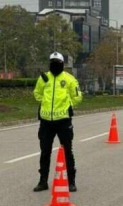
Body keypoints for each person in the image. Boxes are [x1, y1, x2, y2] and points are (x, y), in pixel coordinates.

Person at [33, 52, 82, 192]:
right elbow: (37, 93)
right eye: (52, 61)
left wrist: (69, 105)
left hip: (63, 121)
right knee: (45, 152)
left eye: (57, 62)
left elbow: (77, 96)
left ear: (62, 64)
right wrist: (44, 102)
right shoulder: (44, 78)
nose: (54, 64)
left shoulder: (69, 79)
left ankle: (71, 182)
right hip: (46, 122)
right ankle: (43, 181)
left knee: (67, 151)